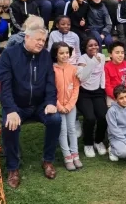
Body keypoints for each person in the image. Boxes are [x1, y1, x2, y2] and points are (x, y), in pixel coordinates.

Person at [0, 26, 62, 188]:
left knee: (55, 119)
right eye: (38, 40)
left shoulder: (45, 56)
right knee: (9, 126)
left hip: (39, 105)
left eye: (43, 40)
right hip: (17, 105)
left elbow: (50, 82)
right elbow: (3, 86)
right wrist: (11, 109)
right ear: (26, 38)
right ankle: (13, 167)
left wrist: (51, 102)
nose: (41, 43)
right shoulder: (9, 55)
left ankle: (48, 160)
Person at [51, 41, 82, 171]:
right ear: (56, 54)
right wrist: (59, 106)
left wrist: (69, 105)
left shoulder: (73, 69)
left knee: (72, 129)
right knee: (62, 131)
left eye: (67, 53)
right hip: (58, 106)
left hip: (70, 106)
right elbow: (51, 89)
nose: (64, 55)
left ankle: (75, 155)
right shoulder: (52, 69)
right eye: (61, 53)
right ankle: (67, 156)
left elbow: (76, 88)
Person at [76, 37, 108, 158]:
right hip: (84, 92)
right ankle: (88, 143)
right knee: (90, 118)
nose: (94, 47)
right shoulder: (82, 58)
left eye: (96, 45)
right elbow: (82, 77)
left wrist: (103, 87)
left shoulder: (102, 56)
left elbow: (102, 72)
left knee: (103, 116)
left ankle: (98, 141)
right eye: (90, 45)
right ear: (85, 47)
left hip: (98, 91)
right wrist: (93, 62)